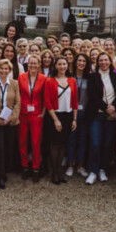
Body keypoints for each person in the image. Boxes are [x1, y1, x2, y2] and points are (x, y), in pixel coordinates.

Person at [85, 51, 116, 184]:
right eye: (101, 60)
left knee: (108, 144)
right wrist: (107, 107)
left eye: (106, 60)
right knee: (95, 143)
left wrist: (114, 106)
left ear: (110, 61)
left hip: (112, 116)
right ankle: (93, 170)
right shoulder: (92, 77)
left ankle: (102, 169)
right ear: (97, 62)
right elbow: (93, 95)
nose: (103, 62)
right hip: (97, 114)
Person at [0, 59, 20, 189]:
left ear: (10, 71)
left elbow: (18, 103)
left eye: (6, 69)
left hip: (10, 122)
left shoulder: (15, 84)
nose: (4, 71)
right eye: (1, 68)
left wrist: (10, 118)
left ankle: (5, 171)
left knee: (8, 148)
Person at [45, 57, 78, 185]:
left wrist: (74, 119)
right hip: (55, 115)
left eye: (64, 64)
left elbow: (75, 101)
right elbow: (47, 102)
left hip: (68, 115)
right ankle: (54, 173)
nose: (62, 66)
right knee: (55, 144)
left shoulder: (72, 80)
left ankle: (60, 172)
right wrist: (55, 120)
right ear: (55, 66)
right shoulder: (50, 81)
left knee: (64, 144)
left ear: (67, 66)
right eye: (59, 64)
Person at [18, 54, 47, 183]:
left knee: (35, 142)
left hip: (37, 114)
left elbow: (46, 98)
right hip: (23, 113)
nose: (33, 66)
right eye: (30, 63)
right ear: (27, 64)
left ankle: (36, 167)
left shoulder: (44, 78)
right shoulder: (21, 77)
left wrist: (43, 113)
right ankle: (24, 166)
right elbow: (18, 94)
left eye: (35, 63)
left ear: (39, 64)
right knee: (23, 141)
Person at [66, 53, 91, 179]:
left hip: (85, 113)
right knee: (71, 139)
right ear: (75, 62)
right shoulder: (69, 77)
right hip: (71, 112)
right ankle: (70, 164)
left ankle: (81, 165)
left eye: (84, 61)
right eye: (79, 60)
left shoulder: (90, 78)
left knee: (83, 139)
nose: (81, 63)